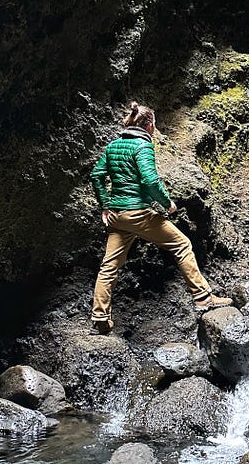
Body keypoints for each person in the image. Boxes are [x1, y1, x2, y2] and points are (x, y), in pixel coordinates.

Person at [90, 101, 232, 333]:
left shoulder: (113, 146)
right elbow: (149, 180)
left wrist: (105, 205)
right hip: (138, 213)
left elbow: (96, 175)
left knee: (109, 266)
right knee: (182, 244)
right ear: (149, 125)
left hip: (116, 216)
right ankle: (203, 297)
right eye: (154, 125)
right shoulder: (142, 146)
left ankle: (100, 318)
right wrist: (167, 204)